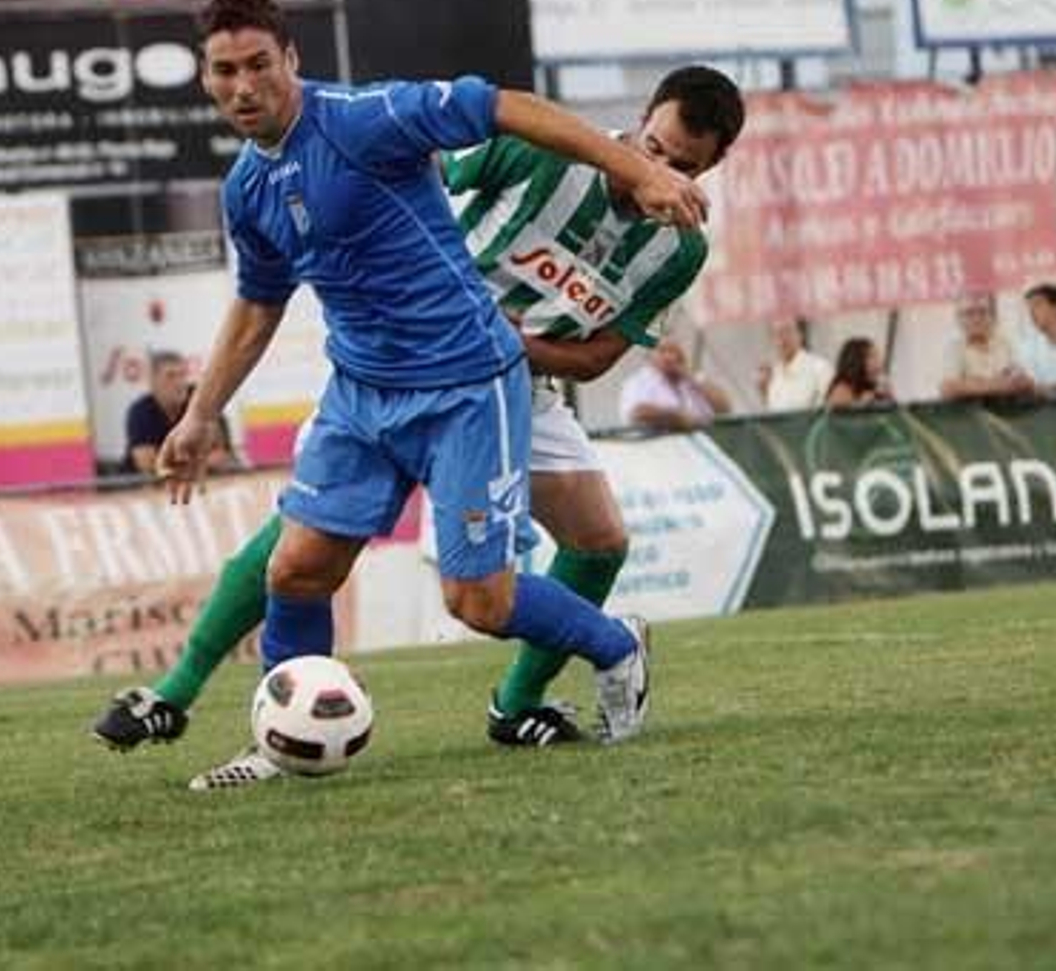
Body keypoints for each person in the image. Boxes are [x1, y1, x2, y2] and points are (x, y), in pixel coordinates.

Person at [97, 52, 738, 787]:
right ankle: (182, 696)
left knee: (592, 547)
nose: (655, 167)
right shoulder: (535, 154)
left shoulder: (677, 247)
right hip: (396, 366)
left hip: (509, 383)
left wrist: (495, 340)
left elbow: (595, 358)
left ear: (709, 169)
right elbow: (429, 181)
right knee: (298, 551)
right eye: (652, 146)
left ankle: (520, 702)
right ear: (640, 119)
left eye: (680, 163)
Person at [617, 335, 731, 432]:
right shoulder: (639, 381)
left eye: (674, 351)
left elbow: (724, 408)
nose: (670, 357)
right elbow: (636, 412)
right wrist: (676, 417)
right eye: (663, 351)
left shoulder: (691, 379)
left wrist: (690, 376)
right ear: (650, 356)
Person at [939, 293, 1034, 400]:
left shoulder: (1006, 343)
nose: (977, 319)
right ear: (959, 319)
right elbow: (948, 389)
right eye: (969, 313)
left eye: (983, 312)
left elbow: (1025, 383)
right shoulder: (953, 348)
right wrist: (1001, 384)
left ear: (994, 316)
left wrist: (973, 384)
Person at [121, 351, 192, 475]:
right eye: (171, 376)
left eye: (183, 375)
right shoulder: (140, 411)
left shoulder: (197, 404)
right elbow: (147, 465)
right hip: (142, 488)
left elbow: (222, 457)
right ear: (153, 382)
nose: (180, 383)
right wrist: (196, 461)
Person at [757, 317, 832, 412]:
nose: (782, 339)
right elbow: (773, 414)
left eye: (787, 331)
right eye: (776, 333)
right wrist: (764, 393)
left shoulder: (820, 368)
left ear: (801, 334)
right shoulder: (773, 373)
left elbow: (827, 413)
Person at [1017, 283, 1056, 395]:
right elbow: (1035, 387)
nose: (1031, 312)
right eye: (1029, 308)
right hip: (1049, 407)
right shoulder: (1029, 346)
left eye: (1037, 305)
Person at [824, 337, 891, 408]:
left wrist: (888, 398)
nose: (878, 362)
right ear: (856, 361)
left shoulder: (874, 387)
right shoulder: (842, 389)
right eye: (872, 356)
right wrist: (860, 404)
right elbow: (835, 415)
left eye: (877, 356)